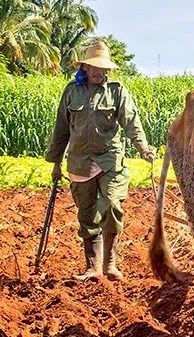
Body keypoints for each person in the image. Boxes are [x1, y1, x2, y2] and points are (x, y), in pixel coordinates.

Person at [45, 40, 156, 281]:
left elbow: (131, 122)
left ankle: (110, 263)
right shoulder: (72, 92)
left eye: (103, 68)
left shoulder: (116, 91)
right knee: (87, 215)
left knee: (112, 205)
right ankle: (92, 266)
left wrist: (143, 148)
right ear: (85, 68)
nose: (99, 72)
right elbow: (61, 129)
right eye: (95, 67)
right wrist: (56, 163)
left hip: (109, 160)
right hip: (80, 162)